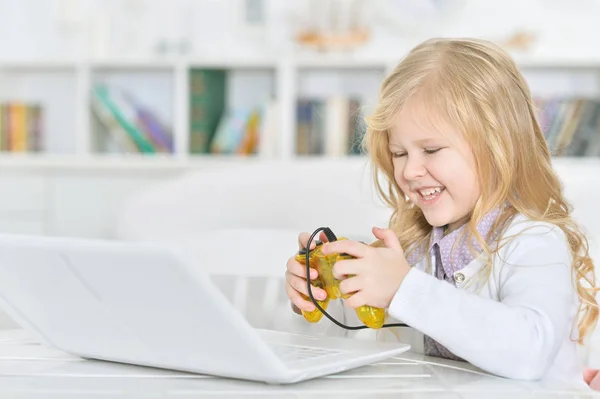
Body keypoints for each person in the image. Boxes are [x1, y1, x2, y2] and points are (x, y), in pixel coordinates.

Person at [284, 37, 599, 385]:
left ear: (498, 146)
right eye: (399, 153)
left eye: (431, 149)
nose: (408, 171)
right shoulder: (414, 244)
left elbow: (529, 351)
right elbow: (364, 323)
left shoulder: (534, 241)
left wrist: (403, 287)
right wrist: (321, 292)